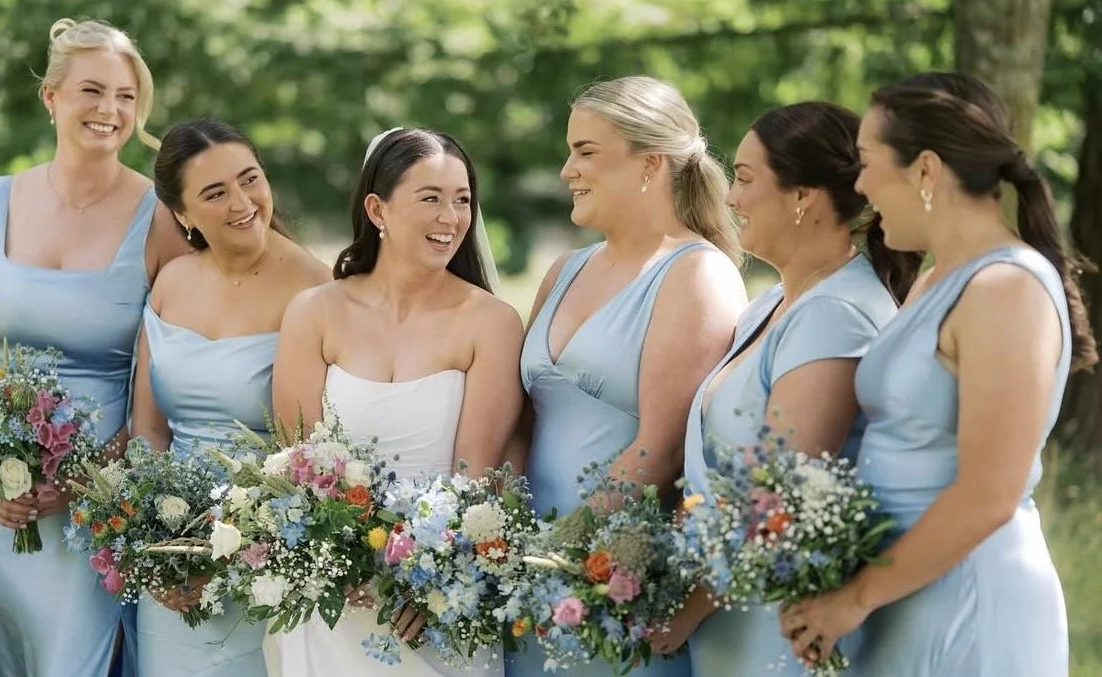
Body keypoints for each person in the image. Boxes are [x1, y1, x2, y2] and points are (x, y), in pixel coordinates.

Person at [778, 72, 1097, 676]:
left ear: (925, 170)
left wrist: (853, 599)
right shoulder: (935, 279)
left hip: (966, 599)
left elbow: (989, 492)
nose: (860, 184)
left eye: (868, 163)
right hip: (903, 595)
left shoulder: (1007, 288)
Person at [0, 17, 191, 677]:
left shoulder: (161, 217)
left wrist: (84, 481)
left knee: (78, 656)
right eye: (92, 90)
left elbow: (166, 374)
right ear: (51, 97)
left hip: (100, 490)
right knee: (15, 653)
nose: (110, 109)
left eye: (127, 96)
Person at [651, 102, 920, 673]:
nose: (730, 198)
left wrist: (688, 607)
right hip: (723, 603)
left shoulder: (837, 316)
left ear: (803, 196)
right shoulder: (769, 304)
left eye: (745, 179)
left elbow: (785, 498)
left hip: (769, 618)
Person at [505, 75, 749, 677]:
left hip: (611, 583)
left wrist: (562, 557)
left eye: (586, 152)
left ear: (650, 164)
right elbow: (525, 416)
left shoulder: (696, 275)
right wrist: (500, 540)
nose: (567, 170)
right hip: (521, 584)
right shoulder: (565, 268)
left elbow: (660, 449)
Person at [268, 127, 525, 677]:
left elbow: (475, 477)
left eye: (462, 200)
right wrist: (349, 564)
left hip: (436, 601)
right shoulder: (313, 313)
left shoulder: (491, 323)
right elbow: (300, 464)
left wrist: (428, 580)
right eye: (430, 198)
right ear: (377, 209)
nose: (451, 218)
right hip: (336, 596)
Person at [128, 118, 331, 676]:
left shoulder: (317, 290)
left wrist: (233, 550)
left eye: (250, 179)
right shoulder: (171, 282)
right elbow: (148, 430)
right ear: (184, 215)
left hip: (267, 553)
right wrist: (159, 542)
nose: (242, 202)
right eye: (215, 193)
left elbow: (310, 453)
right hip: (170, 557)